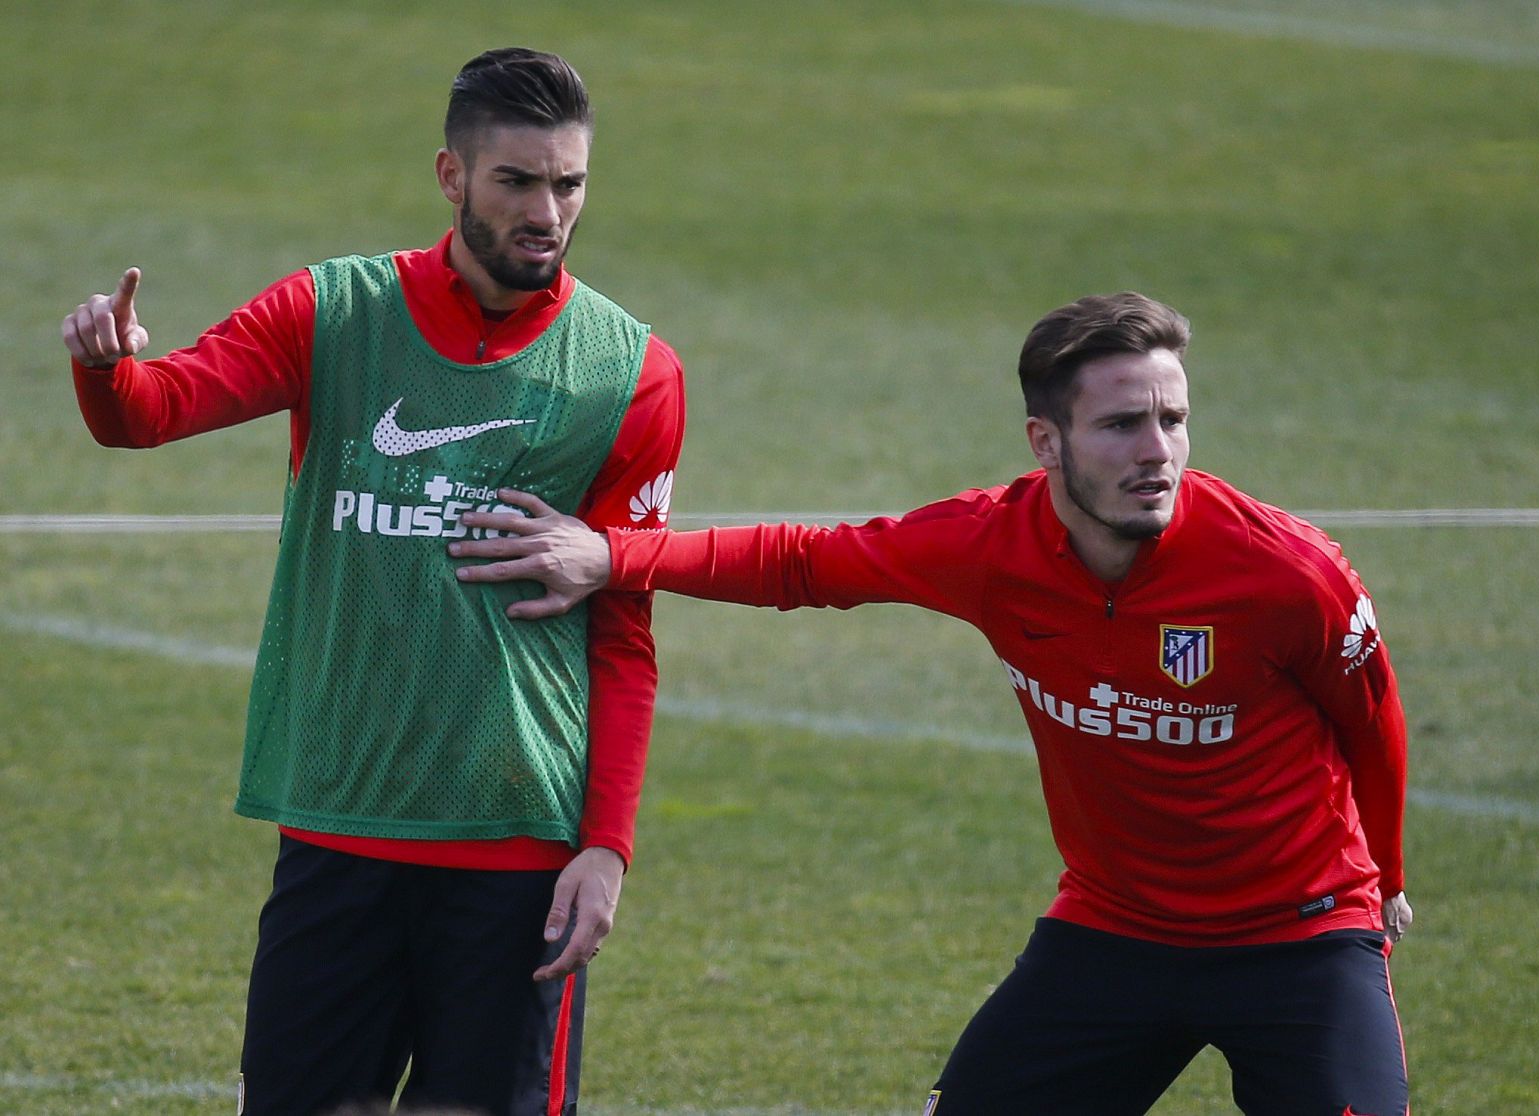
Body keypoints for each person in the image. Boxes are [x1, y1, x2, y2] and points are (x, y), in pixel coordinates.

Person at [447, 292, 1413, 1115]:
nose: (1156, 450)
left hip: (1299, 938)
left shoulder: (1286, 572)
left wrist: (1389, 877)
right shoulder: (988, 547)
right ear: (1047, 441)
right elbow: (800, 562)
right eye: (1122, 425)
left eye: (1173, 419)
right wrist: (611, 556)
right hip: (1117, 929)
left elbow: (1371, 720)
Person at [61, 47, 685, 1116]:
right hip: (340, 831)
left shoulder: (630, 372)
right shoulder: (333, 312)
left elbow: (623, 634)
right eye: (517, 182)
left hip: (515, 853)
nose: (549, 211)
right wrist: (106, 364)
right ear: (451, 176)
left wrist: (606, 848)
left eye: (569, 183)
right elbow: (148, 413)